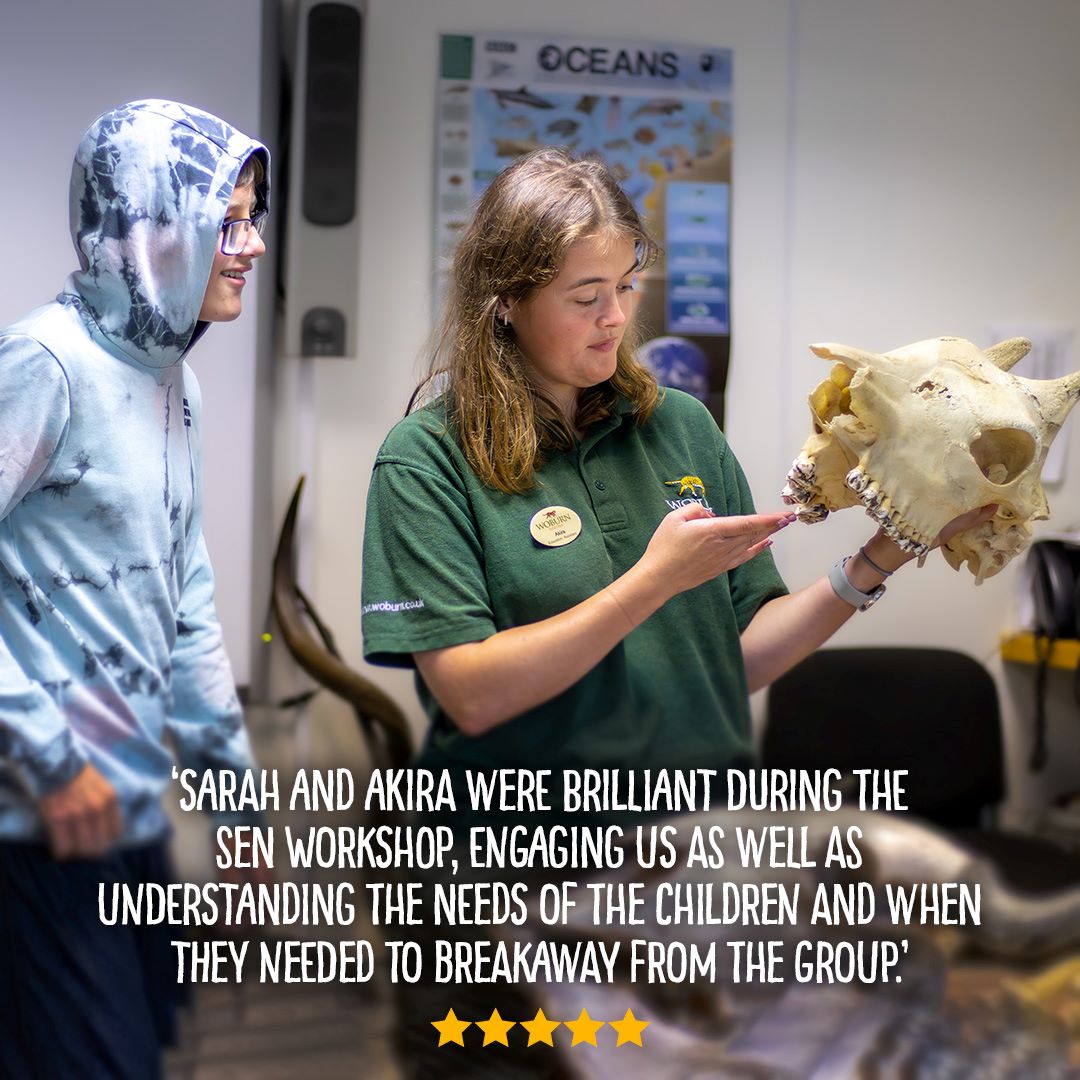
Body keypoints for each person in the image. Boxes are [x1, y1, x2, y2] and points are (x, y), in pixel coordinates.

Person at [0, 99, 269, 1080]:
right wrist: (43, 751)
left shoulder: (173, 383)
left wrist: (236, 810)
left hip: (124, 814)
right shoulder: (45, 364)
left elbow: (185, 597)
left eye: (252, 216)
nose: (254, 243)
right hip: (36, 824)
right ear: (151, 224)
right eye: (229, 218)